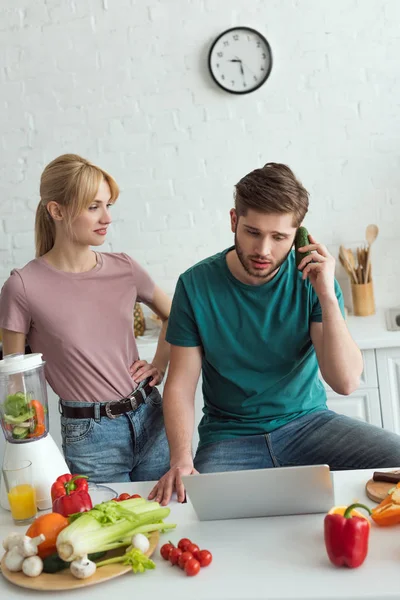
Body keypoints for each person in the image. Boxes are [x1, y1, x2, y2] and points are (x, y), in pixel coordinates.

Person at [149, 162, 400, 505]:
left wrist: (326, 293)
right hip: (229, 438)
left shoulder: (312, 281)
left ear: (299, 234)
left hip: (310, 426)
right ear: (234, 221)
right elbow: (179, 384)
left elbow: (345, 382)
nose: (263, 249)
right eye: (253, 232)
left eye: (279, 237)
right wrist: (181, 460)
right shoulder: (195, 285)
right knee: (202, 509)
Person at [0, 153, 171, 483]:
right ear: (57, 211)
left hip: (151, 417)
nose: (106, 217)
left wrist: (159, 364)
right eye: (93, 207)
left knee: (172, 522)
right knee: (107, 530)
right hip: (91, 438)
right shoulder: (22, 286)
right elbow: (14, 381)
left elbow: (175, 316)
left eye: (108, 205)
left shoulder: (125, 268)